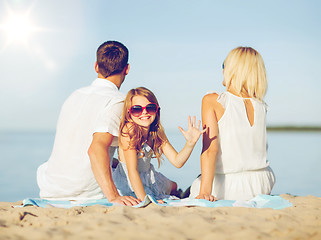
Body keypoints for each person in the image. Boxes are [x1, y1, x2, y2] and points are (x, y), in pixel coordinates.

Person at [37, 41, 140, 206]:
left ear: (96, 66)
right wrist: (113, 197)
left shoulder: (74, 96)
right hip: (84, 193)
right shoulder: (118, 101)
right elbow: (95, 149)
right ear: (126, 69)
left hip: (51, 188)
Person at [189, 47, 275, 201]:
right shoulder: (261, 105)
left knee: (195, 185)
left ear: (233, 69)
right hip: (262, 183)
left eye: (224, 65)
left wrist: (204, 193)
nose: (222, 70)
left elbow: (210, 151)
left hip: (231, 186)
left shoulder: (213, 101)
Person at [112, 87, 205, 201]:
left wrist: (190, 143)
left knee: (174, 185)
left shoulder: (155, 131)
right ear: (129, 113)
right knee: (164, 192)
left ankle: (180, 193)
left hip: (148, 175)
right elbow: (132, 171)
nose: (144, 112)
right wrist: (145, 201)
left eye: (150, 108)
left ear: (157, 110)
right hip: (130, 181)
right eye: (137, 109)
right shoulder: (129, 130)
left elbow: (177, 161)